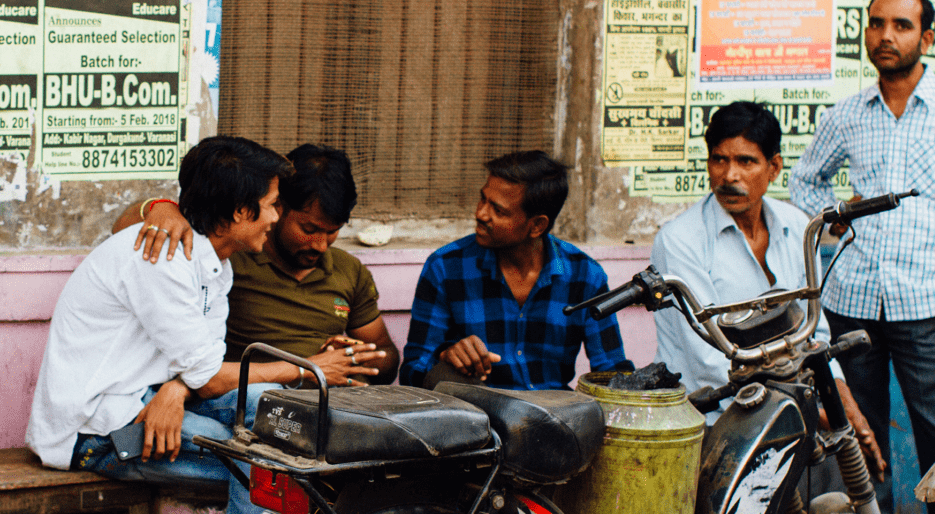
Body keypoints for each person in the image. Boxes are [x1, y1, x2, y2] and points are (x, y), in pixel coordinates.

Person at [27, 137, 368, 514]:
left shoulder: (214, 265)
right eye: (272, 205)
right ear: (240, 211)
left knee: (274, 411)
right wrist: (310, 367)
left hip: (147, 400)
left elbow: (201, 368)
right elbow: (207, 377)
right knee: (266, 459)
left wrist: (174, 391)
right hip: (96, 428)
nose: (275, 217)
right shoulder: (164, 257)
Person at [790, 0, 935, 514]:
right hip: (853, 304)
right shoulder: (847, 115)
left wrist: (933, 238)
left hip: (926, 308)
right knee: (859, 446)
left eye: (902, 26)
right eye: (876, 23)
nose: (886, 35)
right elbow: (804, 183)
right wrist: (841, 218)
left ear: (926, 38)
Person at [651, 101, 886, 484]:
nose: (729, 176)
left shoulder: (796, 226)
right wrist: (818, 410)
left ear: (774, 167)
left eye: (746, 162)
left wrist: (842, 402)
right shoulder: (680, 240)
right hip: (713, 419)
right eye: (719, 160)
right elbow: (712, 360)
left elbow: (814, 335)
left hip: (788, 406)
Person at [114, 144, 398, 384]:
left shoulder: (348, 270)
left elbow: (387, 357)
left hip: (329, 402)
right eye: (309, 230)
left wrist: (355, 358)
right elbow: (123, 227)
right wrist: (161, 206)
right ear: (279, 207)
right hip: (246, 398)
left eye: (332, 231)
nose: (321, 245)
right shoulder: (233, 251)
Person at [399, 150, 635, 390]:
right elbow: (411, 372)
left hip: (557, 419)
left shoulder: (585, 275)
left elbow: (612, 374)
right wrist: (444, 358)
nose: (480, 214)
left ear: (536, 225)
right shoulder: (445, 268)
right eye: (483, 199)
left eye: (498, 211)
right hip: (478, 421)